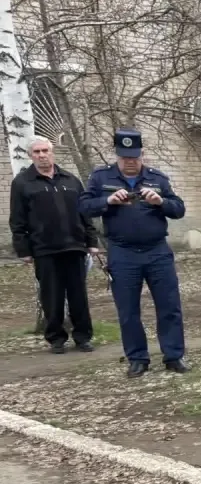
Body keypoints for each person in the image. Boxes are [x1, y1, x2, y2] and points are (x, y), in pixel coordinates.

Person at [79, 129, 188, 377]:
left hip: (157, 251)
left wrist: (160, 202)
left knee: (169, 306)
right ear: (117, 155)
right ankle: (137, 358)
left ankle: (174, 356)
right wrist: (107, 201)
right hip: (123, 252)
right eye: (126, 158)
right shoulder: (100, 178)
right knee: (128, 310)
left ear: (142, 155)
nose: (131, 162)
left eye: (135, 158)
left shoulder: (157, 178)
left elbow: (178, 209)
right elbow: (84, 207)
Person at [10, 135, 99, 353]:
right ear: (31, 156)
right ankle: (56, 339)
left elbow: (84, 213)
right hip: (44, 250)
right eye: (37, 152)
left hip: (75, 247)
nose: (42, 155)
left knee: (79, 296)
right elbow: (17, 219)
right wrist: (23, 249)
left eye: (45, 151)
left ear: (52, 152)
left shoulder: (70, 179)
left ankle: (83, 337)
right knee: (52, 297)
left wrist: (92, 241)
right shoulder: (23, 183)